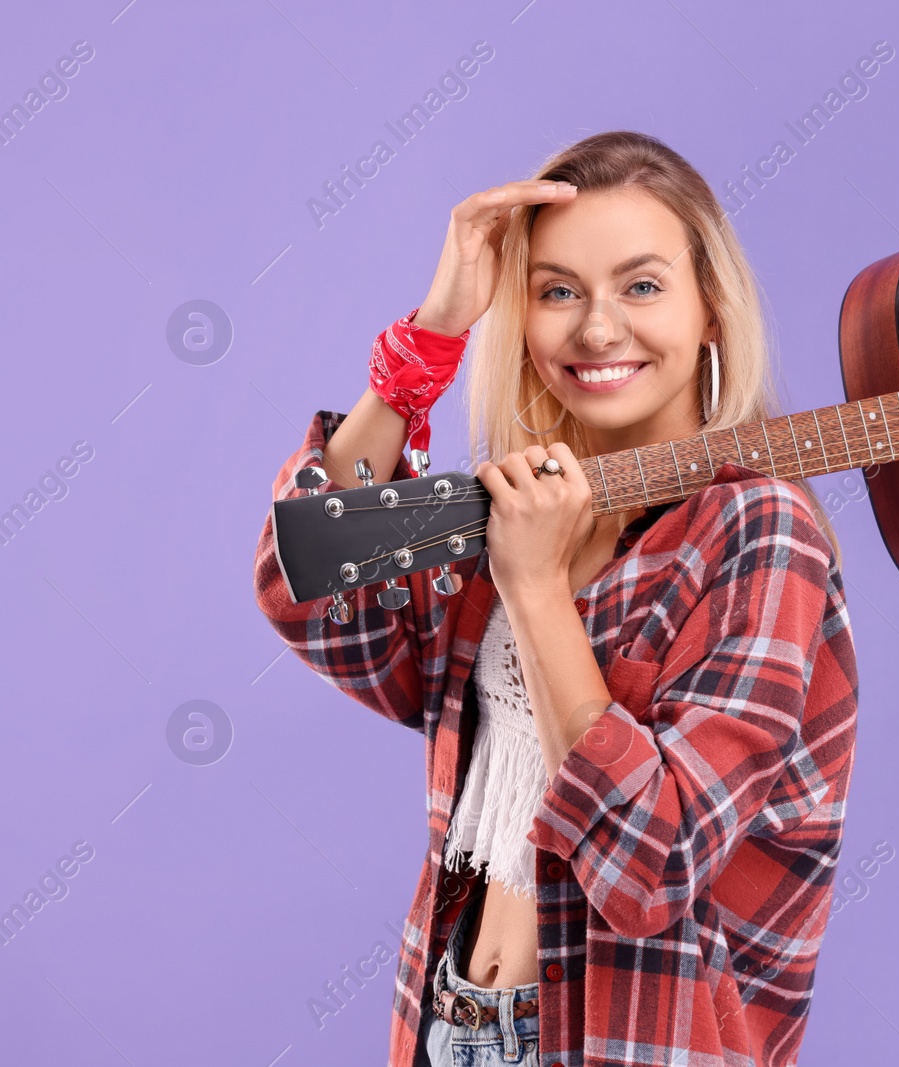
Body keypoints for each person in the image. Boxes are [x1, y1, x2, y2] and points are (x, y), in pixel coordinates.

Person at [251, 130, 859, 1067]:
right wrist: (437, 329)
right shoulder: (525, 505)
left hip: (629, 1042)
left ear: (711, 314)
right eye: (558, 290)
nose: (598, 329)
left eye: (643, 286)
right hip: (447, 1020)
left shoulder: (757, 530)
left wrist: (535, 588)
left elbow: (653, 861)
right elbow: (311, 591)